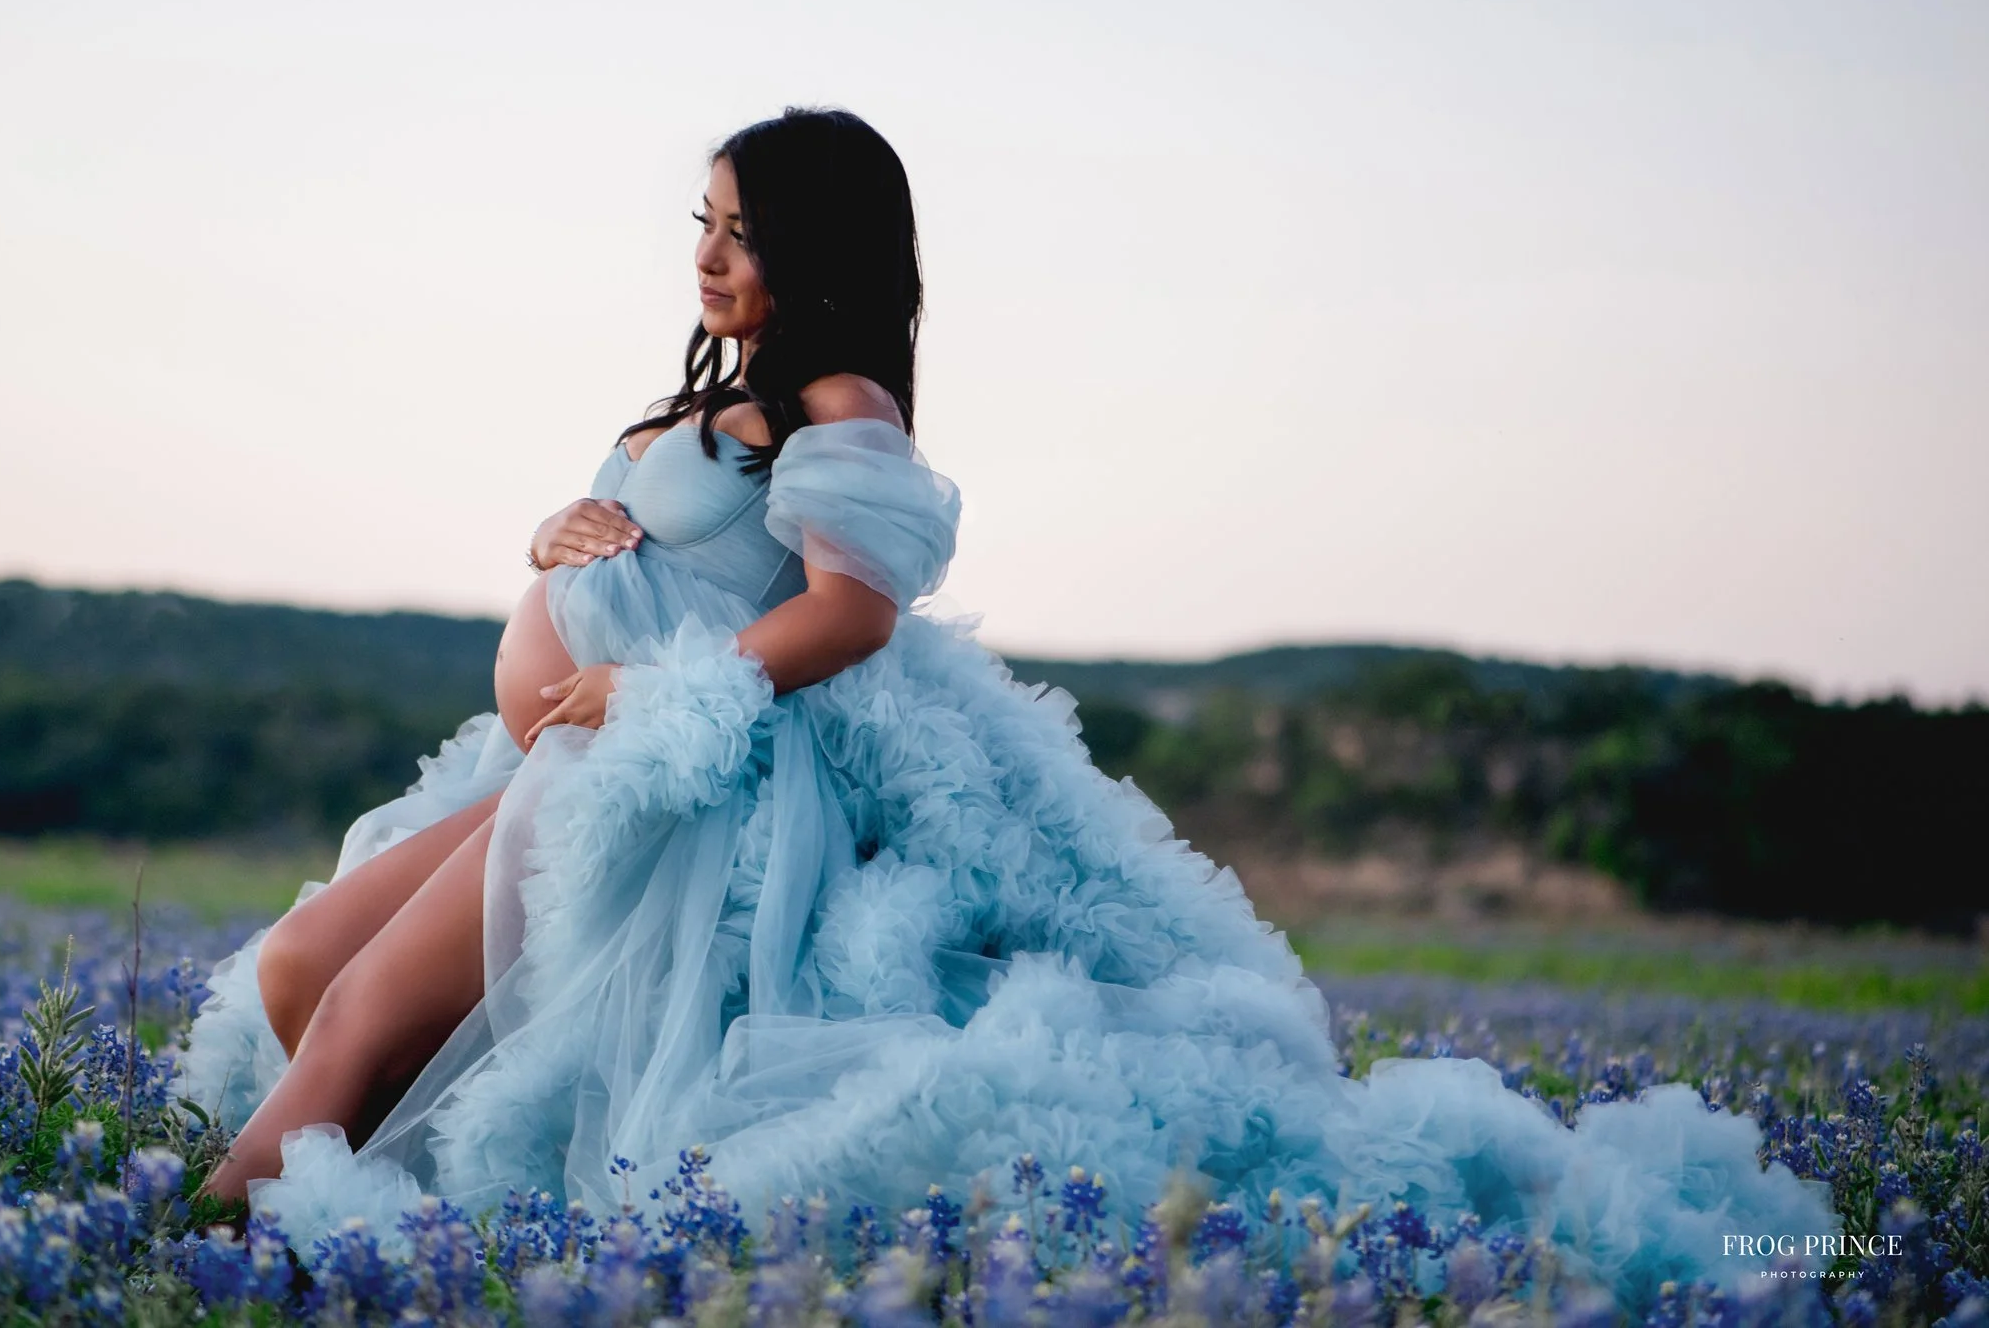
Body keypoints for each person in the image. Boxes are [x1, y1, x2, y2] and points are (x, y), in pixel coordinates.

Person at [182, 107, 1833, 1307]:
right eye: (698, 219)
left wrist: (657, 684)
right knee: (301, 961)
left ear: (815, 249)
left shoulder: (841, 402)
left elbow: (847, 610)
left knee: (356, 1017)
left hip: (657, 787)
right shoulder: (719, 393)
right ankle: (328, 1203)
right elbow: (645, 543)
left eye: (739, 229)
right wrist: (562, 540)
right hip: (562, 759)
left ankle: (208, 1243)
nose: (706, 253)